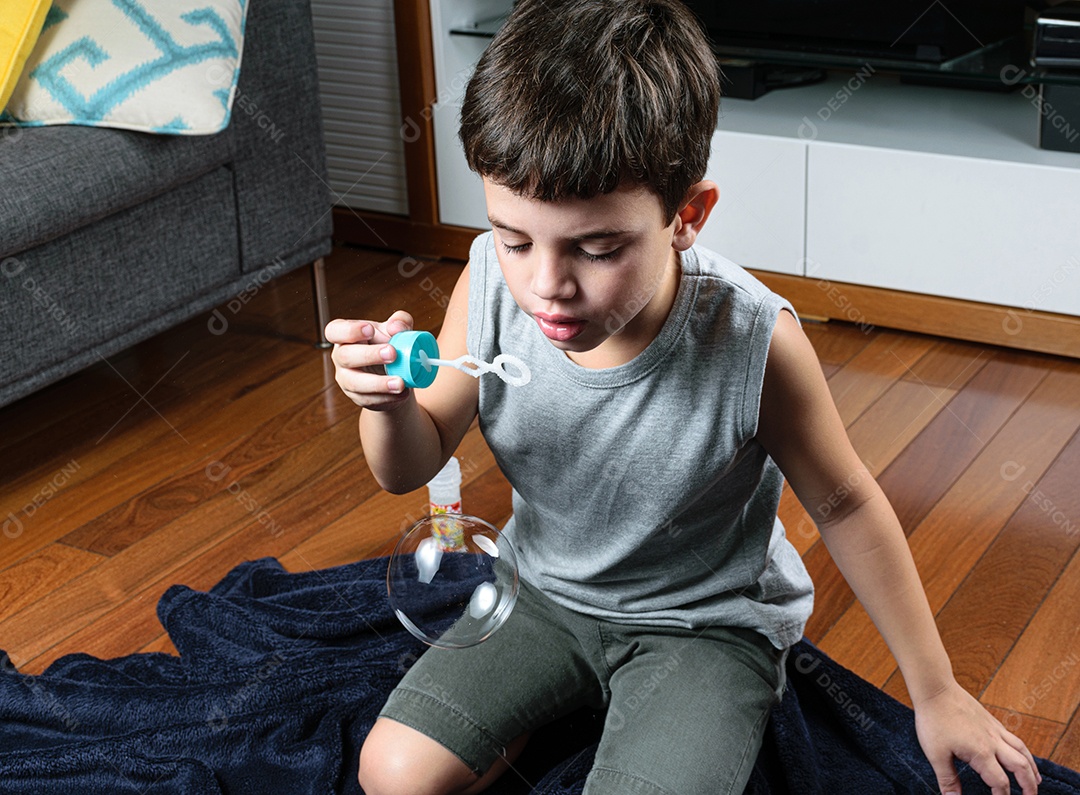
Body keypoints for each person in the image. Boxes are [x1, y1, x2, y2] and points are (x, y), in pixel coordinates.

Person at [327, 1, 1042, 793]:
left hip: (703, 626)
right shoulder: (490, 285)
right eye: (515, 237)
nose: (545, 285)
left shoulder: (753, 341)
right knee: (391, 773)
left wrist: (935, 691)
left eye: (597, 249)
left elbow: (845, 504)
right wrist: (387, 406)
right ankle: (545, 707)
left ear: (686, 216)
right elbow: (408, 466)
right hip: (541, 596)